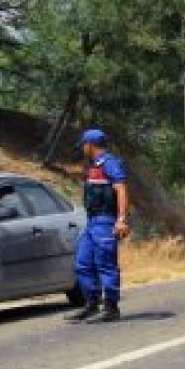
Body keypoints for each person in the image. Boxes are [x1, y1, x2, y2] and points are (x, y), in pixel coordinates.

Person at [66, 128, 130, 323]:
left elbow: (121, 189)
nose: (83, 148)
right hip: (92, 221)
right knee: (83, 263)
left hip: (105, 220)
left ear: (90, 145)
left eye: (84, 145)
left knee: (106, 264)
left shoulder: (110, 163)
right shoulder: (94, 165)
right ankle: (91, 304)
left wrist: (121, 219)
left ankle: (111, 307)